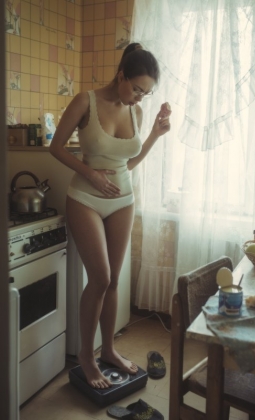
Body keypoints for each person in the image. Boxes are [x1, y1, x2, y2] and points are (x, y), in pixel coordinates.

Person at [50, 43, 171, 389]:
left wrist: (154, 135)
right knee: (100, 278)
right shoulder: (85, 101)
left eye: (146, 93)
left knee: (114, 280)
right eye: (137, 89)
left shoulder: (137, 113)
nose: (139, 97)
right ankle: (86, 356)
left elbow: (128, 163)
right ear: (121, 76)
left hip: (123, 200)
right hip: (85, 199)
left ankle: (108, 350)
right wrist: (91, 173)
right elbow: (55, 147)